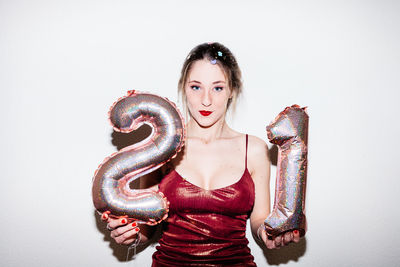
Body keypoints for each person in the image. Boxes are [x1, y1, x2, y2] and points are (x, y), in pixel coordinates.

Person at [101, 42, 301, 266]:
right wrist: (131, 235)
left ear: (232, 90)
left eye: (218, 88)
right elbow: (147, 229)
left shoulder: (253, 149)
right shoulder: (161, 147)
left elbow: (259, 222)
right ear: (184, 88)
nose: (206, 100)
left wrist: (271, 234)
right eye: (196, 87)